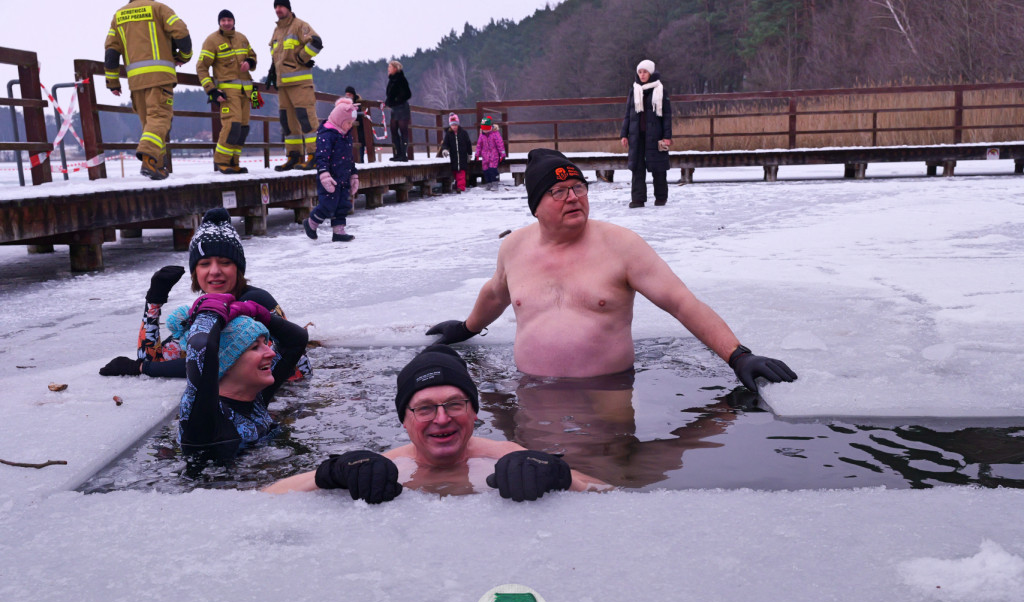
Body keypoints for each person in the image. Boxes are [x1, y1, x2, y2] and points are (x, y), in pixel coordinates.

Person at [426, 148, 797, 393]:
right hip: (532, 393)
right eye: (559, 191)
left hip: (607, 393)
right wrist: (466, 328)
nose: (573, 197)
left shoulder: (621, 246)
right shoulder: (514, 247)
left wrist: (738, 355)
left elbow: (682, 303)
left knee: (611, 472)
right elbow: (496, 293)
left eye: (578, 187)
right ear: (535, 206)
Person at [263, 345, 608, 501]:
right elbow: (257, 502)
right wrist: (330, 473)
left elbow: (613, 497)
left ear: (474, 412)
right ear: (404, 420)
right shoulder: (384, 468)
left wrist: (560, 476)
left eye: (455, 404)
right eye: (425, 409)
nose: (441, 419)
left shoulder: (505, 455)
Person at [99, 208, 311, 380]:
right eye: (204, 264)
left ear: (239, 269)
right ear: (195, 272)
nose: (215, 271)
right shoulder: (207, 310)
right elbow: (156, 359)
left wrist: (140, 369)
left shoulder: (253, 303)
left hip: (284, 402)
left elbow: (205, 365)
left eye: (225, 263)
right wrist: (154, 302)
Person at [178, 295, 308, 458]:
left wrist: (257, 312)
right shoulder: (201, 412)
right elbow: (201, 349)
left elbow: (296, 341)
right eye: (255, 347)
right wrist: (209, 313)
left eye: (265, 344)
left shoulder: (254, 396)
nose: (271, 352)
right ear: (223, 363)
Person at [104, 0, 192, 181]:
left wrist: (112, 81)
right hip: (160, 77)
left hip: (136, 81)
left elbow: (111, 52)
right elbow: (181, 32)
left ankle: (157, 165)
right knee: (159, 118)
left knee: (149, 125)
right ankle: (147, 158)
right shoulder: (159, 8)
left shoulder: (119, 15)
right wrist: (184, 56)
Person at [197, 9, 257, 174]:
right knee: (232, 126)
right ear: (219, 23)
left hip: (246, 91)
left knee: (243, 129)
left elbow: (253, 56)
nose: (226, 23)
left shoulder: (242, 38)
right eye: (223, 20)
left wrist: (250, 62)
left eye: (229, 20)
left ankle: (234, 162)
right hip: (228, 93)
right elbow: (201, 67)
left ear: (233, 21)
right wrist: (212, 91)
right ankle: (222, 161)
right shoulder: (212, 40)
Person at [266, 0, 322, 171]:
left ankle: (315, 156)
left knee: (306, 119)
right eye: (276, 7)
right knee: (287, 122)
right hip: (283, 85)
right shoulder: (277, 31)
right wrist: (272, 72)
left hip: (300, 83)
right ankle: (295, 157)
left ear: (288, 8)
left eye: (281, 6)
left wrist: (301, 58)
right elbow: (276, 55)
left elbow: (316, 43)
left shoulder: (300, 25)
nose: (278, 9)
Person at [303, 98, 360, 243]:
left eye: (351, 123)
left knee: (343, 205)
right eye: (348, 123)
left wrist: (353, 175)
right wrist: (324, 174)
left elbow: (349, 158)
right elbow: (321, 157)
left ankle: (339, 231)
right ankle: (311, 223)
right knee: (328, 204)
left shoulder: (345, 135)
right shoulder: (327, 134)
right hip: (330, 177)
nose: (349, 126)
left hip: (344, 176)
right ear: (340, 119)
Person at [620, 59, 672, 208]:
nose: (642, 75)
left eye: (645, 72)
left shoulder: (661, 90)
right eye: (640, 72)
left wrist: (667, 136)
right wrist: (624, 134)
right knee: (637, 167)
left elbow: (667, 115)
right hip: (637, 136)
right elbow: (628, 114)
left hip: (656, 136)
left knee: (659, 167)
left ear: (651, 73)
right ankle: (638, 199)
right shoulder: (634, 90)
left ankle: (661, 197)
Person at [384, 60, 412, 162]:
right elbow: (390, 95)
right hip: (395, 109)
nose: (388, 69)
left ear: (395, 69)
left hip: (402, 108)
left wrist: (396, 100)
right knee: (393, 130)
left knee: (403, 130)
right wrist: (387, 102)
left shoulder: (401, 79)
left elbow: (407, 94)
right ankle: (398, 153)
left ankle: (403, 155)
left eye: (390, 67)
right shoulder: (391, 80)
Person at [440, 113, 471, 193]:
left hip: (462, 156)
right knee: (455, 172)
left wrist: (469, 154)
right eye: (452, 125)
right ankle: (457, 184)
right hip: (454, 157)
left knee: (461, 172)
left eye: (455, 125)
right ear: (450, 125)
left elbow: (468, 143)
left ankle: (460, 187)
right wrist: (445, 150)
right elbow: (445, 144)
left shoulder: (463, 133)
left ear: (458, 124)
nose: (454, 127)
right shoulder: (448, 134)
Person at [475, 115, 506, 188]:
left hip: (494, 155)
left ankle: (495, 183)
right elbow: (479, 145)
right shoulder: (482, 135)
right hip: (485, 156)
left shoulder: (495, 134)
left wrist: (503, 155)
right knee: (486, 170)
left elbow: (500, 145)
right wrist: (477, 155)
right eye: (483, 129)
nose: (485, 130)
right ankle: (489, 183)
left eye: (486, 129)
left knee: (493, 170)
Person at [343, 86, 367, 163]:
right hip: (349, 128)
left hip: (360, 128)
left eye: (349, 94)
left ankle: (361, 161)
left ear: (353, 94)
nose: (348, 96)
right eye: (347, 94)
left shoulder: (359, 103)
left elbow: (362, 113)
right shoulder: (344, 104)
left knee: (360, 144)